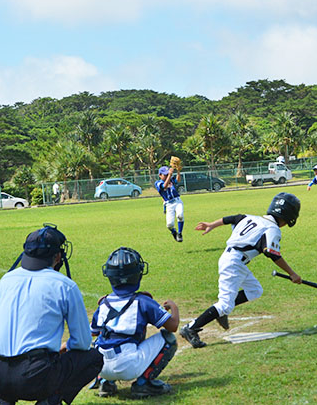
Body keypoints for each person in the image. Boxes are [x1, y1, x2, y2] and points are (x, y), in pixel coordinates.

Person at [0, 224, 103, 405]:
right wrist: (59, 349)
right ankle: (49, 401)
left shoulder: (6, 279)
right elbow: (82, 343)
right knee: (93, 358)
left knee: (9, 362)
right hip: (34, 376)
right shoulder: (64, 285)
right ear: (57, 256)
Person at [179, 192, 302, 348]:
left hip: (234, 260)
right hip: (234, 263)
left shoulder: (251, 217)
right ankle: (190, 329)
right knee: (224, 304)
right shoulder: (272, 229)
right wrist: (292, 273)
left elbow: (231, 218)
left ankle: (221, 313)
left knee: (255, 290)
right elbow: (272, 253)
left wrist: (211, 224)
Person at [89, 247, 179, 399]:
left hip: (99, 366)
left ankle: (105, 382)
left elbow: (93, 332)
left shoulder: (103, 303)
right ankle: (143, 384)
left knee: (100, 340)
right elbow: (173, 326)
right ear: (138, 274)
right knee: (168, 339)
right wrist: (174, 308)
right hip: (128, 365)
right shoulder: (143, 301)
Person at [155, 165, 185, 242]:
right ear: (159, 175)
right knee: (169, 225)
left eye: (167, 174)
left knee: (180, 215)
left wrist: (178, 171)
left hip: (177, 201)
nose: (167, 176)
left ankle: (180, 233)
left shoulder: (170, 179)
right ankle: (174, 232)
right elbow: (164, 186)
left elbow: (178, 180)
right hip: (169, 205)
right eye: (165, 174)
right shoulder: (158, 183)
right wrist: (170, 175)